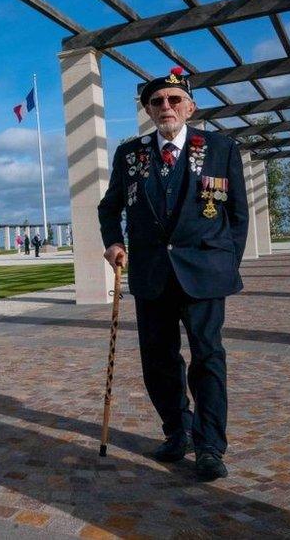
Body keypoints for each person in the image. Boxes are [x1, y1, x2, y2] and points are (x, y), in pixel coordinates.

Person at [97, 67, 248, 482]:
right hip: (151, 274)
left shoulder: (220, 147)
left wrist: (226, 261)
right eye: (157, 101)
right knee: (158, 361)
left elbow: (237, 214)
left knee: (207, 357)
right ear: (148, 109)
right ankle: (176, 431)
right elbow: (109, 207)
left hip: (204, 273)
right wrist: (113, 242)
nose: (167, 107)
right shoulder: (131, 154)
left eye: (174, 100)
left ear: (190, 106)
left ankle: (211, 446)